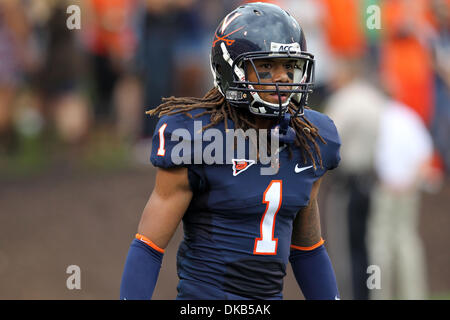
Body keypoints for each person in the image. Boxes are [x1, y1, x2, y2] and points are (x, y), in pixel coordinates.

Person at [120, 2, 341, 300]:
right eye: (266, 66)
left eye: (289, 67)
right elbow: (149, 246)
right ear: (230, 69)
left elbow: (308, 250)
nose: (283, 78)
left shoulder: (309, 139)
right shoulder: (196, 137)